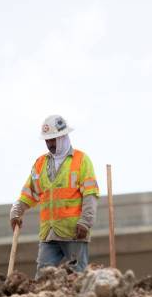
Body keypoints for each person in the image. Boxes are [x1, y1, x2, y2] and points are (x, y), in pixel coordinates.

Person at [9, 115, 99, 277]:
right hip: (48, 233)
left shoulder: (81, 161)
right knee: (42, 276)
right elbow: (29, 192)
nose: (50, 144)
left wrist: (85, 222)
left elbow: (90, 195)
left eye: (53, 140)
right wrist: (17, 211)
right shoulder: (40, 163)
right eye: (47, 140)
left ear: (63, 137)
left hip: (74, 233)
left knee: (78, 276)